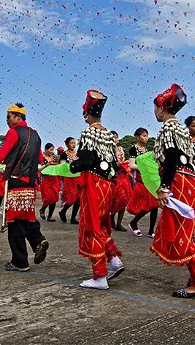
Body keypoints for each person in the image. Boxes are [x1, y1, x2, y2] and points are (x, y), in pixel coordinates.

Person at [149, 83, 195, 299]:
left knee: (178, 233)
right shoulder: (182, 130)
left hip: (179, 183)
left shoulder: (168, 129)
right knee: (182, 232)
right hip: (190, 182)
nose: (155, 112)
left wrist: (164, 187)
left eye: (155, 108)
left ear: (162, 108)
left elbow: (171, 159)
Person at [0, 103, 49, 272]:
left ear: (18, 117)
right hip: (30, 183)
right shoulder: (35, 134)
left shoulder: (14, 132)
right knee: (25, 217)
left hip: (16, 181)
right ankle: (37, 241)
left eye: (9, 116)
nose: (7, 120)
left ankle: (20, 262)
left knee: (14, 222)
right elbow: (40, 159)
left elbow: (0, 156)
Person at [70, 90, 125, 290]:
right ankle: (114, 260)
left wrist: (72, 165)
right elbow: (115, 164)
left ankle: (100, 276)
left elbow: (85, 161)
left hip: (93, 185)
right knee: (100, 225)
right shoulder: (108, 135)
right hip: (107, 185)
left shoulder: (89, 133)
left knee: (91, 227)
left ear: (87, 114)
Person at [127, 127, 157, 237]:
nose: (146, 138)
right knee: (148, 204)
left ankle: (151, 231)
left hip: (149, 178)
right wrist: (144, 167)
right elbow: (131, 165)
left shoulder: (146, 150)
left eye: (147, 136)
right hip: (141, 179)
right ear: (137, 137)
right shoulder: (133, 149)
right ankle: (133, 223)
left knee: (154, 204)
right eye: (144, 136)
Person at [58, 137, 81, 224]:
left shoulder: (77, 154)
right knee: (72, 198)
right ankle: (63, 211)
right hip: (69, 178)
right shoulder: (64, 154)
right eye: (71, 143)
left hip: (78, 178)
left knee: (78, 198)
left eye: (74, 143)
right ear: (67, 144)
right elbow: (62, 166)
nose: (73, 145)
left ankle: (73, 218)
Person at [39, 143, 61, 222]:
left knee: (54, 198)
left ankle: (50, 216)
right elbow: (39, 167)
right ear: (46, 149)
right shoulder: (42, 157)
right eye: (50, 150)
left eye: (53, 150)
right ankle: (42, 209)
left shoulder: (54, 157)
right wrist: (47, 165)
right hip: (46, 179)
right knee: (48, 197)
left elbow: (58, 165)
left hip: (54, 179)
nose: (52, 151)